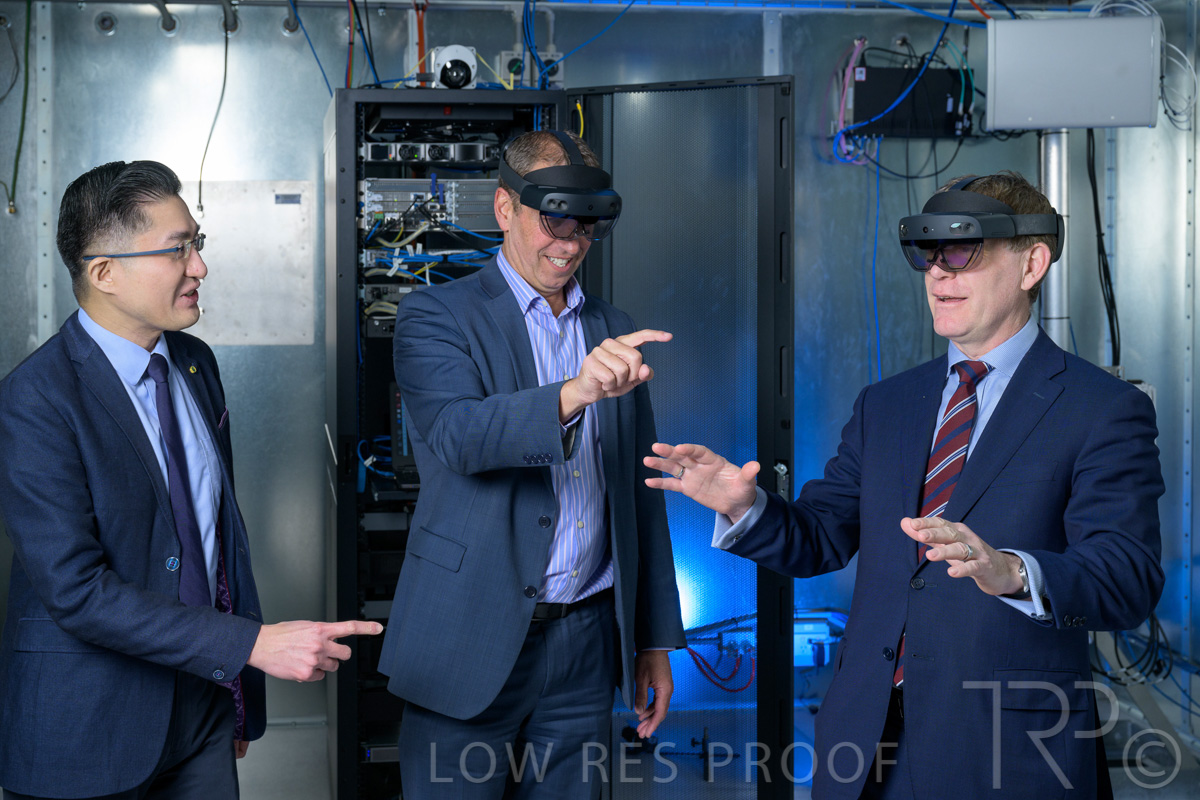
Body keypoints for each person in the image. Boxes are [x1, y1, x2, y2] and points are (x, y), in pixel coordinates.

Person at [645, 172, 1164, 799]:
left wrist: (1011, 571)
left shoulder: (1100, 408)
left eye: (963, 252)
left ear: (1032, 263)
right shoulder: (887, 404)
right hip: (864, 749)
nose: (939, 273)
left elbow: (1127, 578)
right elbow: (820, 537)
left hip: (1009, 754)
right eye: (928, 253)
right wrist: (746, 507)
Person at [0, 160, 382, 800]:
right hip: (88, 729)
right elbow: (77, 591)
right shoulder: (35, 400)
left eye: (196, 243)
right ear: (104, 273)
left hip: (204, 709)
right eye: (177, 249)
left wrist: (234, 690)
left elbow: (215, 542)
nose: (199, 267)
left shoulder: (195, 364)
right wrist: (250, 645)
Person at [378, 130, 686, 798]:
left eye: (586, 226)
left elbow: (640, 494)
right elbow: (459, 436)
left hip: (585, 644)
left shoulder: (612, 328)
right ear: (504, 208)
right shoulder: (436, 315)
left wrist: (655, 640)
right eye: (554, 220)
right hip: (468, 635)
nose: (569, 244)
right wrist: (575, 393)